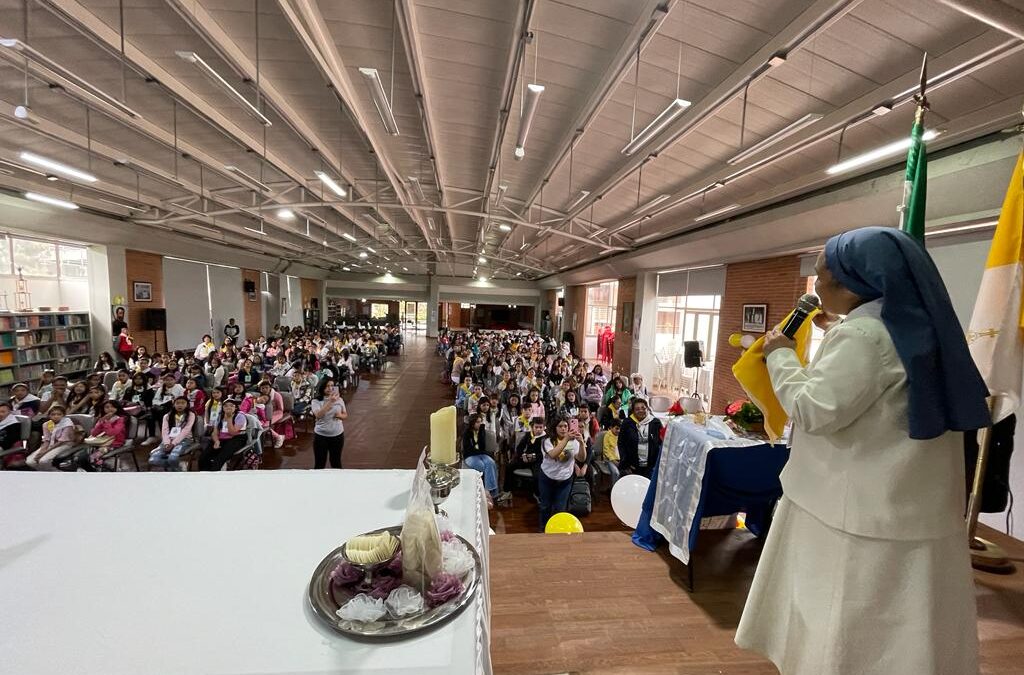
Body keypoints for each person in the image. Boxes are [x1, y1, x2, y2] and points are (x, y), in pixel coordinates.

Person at [735, 227, 990, 675]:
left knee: (841, 625)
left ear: (854, 282)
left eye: (820, 276)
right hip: (905, 502)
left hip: (851, 515)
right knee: (900, 633)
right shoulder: (916, 323)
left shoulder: (865, 336)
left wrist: (779, 354)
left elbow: (813, 408)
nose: (815, 287)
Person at [537, 417, 586, 531]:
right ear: (555, 428)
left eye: (565, 426)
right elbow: (553, 454)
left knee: (560, 508)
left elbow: (581, 458)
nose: (563, 429)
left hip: (565, 479)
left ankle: (557, 531)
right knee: (545, 506)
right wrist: (566, 439)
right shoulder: (547, 440)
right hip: (547, 478)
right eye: (560, 426)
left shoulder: (574, 441)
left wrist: (582, 443)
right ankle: (543, 529)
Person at [461, 413, 509, 503]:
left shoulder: (481, 430)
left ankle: (490, 492)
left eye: (480, 422)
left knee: (491, 463)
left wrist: (480, 432)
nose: (480, 424)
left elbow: (482, 446)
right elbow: (468, 449)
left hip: (481, 453)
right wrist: (482, 452)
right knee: (482, 466)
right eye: (477, 422)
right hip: (470, 455)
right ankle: (488, 493)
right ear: (472, 423)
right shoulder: (466, 433)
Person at [74, 400, 127, 472]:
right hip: (100, 442)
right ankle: (92, 471)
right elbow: (94, 433)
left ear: (117, 408)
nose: (110, 409)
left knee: (92, 458)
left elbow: (112, 433)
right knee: (80, 458)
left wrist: (106, 422)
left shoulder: (120, 419)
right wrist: (101, 422)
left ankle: (106, 470)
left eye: (113, 407)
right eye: (107, 407)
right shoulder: (102, 419)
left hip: (114, 443)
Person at [617, 398, 662, 477]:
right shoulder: (627, 423)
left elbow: (660, 443)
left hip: (650, 468)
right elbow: (621, 443)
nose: (641, 411)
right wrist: (626, 463)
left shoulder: (655, 423)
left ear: (647, 409)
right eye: (637, 409)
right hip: (632, 467)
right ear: (633, 411)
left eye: (643, 408)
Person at [149, 396, 196, 471]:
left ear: (187, 405)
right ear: (173, 404)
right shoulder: (167, 416)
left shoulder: (191, 415)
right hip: (168, 440)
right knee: (153, 460)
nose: (180, 405)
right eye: (177, 403)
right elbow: (165, 431)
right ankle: (178, 467)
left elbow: (186, 430)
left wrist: (173, 444)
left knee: (172, 458)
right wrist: (167, 443)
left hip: (184, 440)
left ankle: (176, 471)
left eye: (183, 403)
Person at [198, 398, 247, 471]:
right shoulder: (220, 416)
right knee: (203, 457)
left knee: (220, 458)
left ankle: (215, 474)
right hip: (222, 438)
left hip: (236, 438)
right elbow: (215, 432)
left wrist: (229, 418)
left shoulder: (240, 416)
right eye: (226, 406)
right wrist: (216, 441)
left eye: (231, 406)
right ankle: (205, 473)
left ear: (235, 407)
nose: (228, 407)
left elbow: (233, 432)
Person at [26, 405, 76, 470]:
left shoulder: (67, 424)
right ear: (49, 416)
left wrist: (44, 453)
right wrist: (42, 450)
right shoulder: (46, 424)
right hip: (51, 444)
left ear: (63, 415)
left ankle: (56, 473)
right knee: (30, 462)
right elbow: (47, 440)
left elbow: (61, 441)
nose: (56, 416)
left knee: (43, 461)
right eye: (53, 414)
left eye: (59, 414)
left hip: (63, 444)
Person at [310, 379, 347, 469]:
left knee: (336, 462)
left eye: (332, 386)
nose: (330, 388)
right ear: (322, 387)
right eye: (327, 386)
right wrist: (330, 401)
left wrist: (340, 416)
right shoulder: (316, 401)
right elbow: (318, 415)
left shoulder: (340, 400)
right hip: (321, 436)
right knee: (320, 464)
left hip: (337, 435)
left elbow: (345, 414)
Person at [0, 401, 27, 470]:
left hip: (4, 447)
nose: (0, 414)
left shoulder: (14, 425)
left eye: (3, 412)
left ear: (9, 412)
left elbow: (8, 441)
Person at [601, 417, 622, 484]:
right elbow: (606, 450)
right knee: (616, 473)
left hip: (619, 459)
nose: (618, 431)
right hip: (609, 460)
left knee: (627, 472)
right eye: (616, 428)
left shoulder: (621, 436)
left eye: (620, 429)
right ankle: (614, 490)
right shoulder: (607, 435)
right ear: (611, 427)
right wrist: (613, 460)